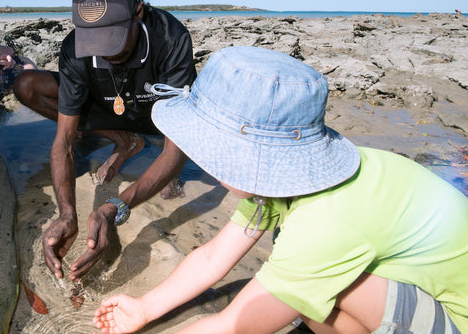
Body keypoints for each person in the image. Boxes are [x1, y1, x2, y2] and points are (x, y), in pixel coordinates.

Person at [93, 46, 468, 334]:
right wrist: (142, 309)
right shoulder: (290, 178)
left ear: (245, 156)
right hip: (418, 278)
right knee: (303, 286)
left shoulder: (324, 222)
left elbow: (231, 325)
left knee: (305, 286)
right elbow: (213, 257)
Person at [13, 0, 196, 281]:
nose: (107, 51)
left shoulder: (170, 36)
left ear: (139, 12)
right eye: (95, 40)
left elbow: (180, 145)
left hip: (156, 113)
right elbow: (64, 141)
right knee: (28, 83)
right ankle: (125, 141)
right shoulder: (75, 47)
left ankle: (153, 159)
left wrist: (113, 208)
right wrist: (67, 213)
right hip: (108, 106)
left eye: (114, 39)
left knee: (173, 161)